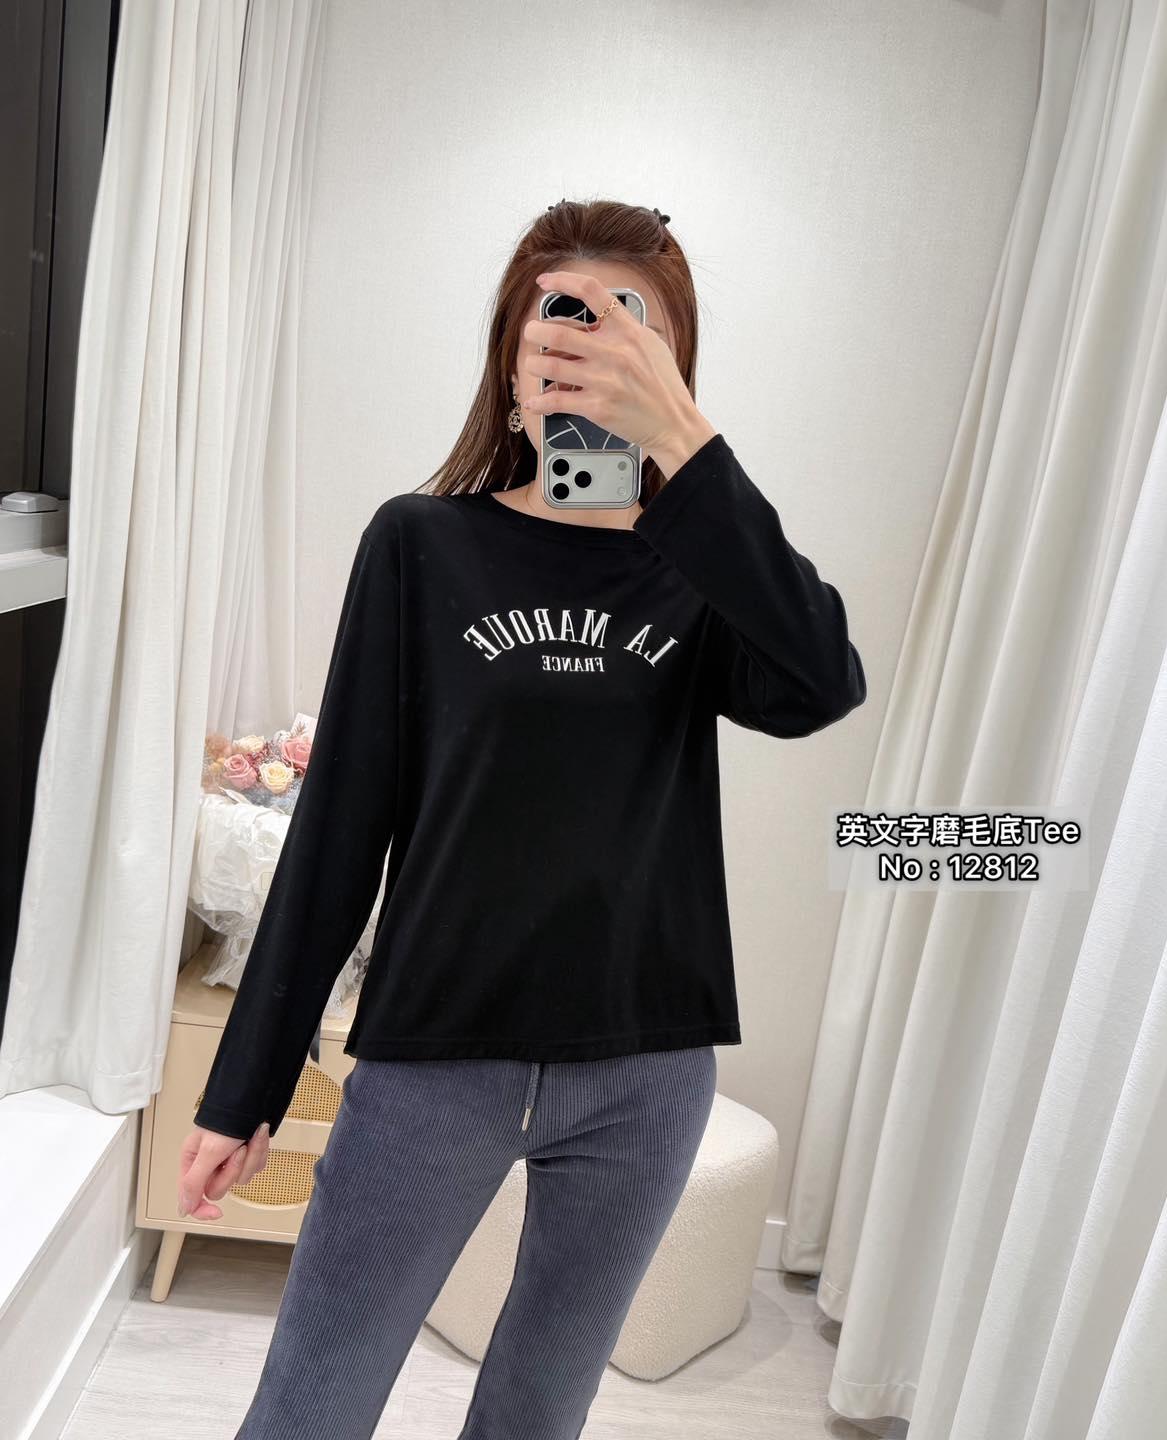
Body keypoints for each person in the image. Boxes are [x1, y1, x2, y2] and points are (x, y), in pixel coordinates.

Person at [176, 198, 867, 1439]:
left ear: (671, 368)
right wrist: (248, 1085)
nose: (586, 357)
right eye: (558, 329)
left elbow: (821, 684)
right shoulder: (420, 544)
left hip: (644, 1069)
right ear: (509, 364)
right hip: (436, 1060)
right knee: (311, 1403)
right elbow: (339, 825)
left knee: (538, 1413)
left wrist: (685, 447)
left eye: (628, 336)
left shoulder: (699, 570)